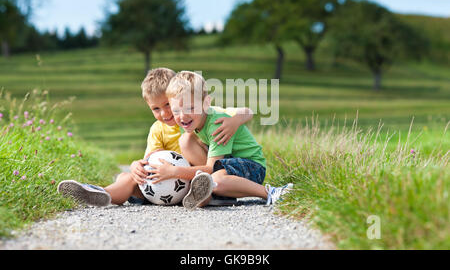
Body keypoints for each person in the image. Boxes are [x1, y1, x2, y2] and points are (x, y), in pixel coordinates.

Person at [57, 68, 253, 206]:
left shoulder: (198, 116)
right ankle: (99, 194)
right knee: (127, 177)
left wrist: (235, 121)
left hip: (195, 180)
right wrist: (136, 166)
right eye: (156, 109)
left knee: (195, 166)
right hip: (164, 185)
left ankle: (205, 195)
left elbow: (246, 111)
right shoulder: (157, 130)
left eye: (168, 105)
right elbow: (149, 161)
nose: (166, 113)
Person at [149, 70, 292, 210]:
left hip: (252, 166)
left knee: (215, 180)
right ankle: (215, 193)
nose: (182, 116)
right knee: (186, 141)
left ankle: (271, 193)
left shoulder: (217, 125)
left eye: (190, 108)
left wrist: (174, 172)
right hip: (226, 164)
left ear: (206, 104)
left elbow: (210, 168)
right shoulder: (188, 123)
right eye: (176, 111)